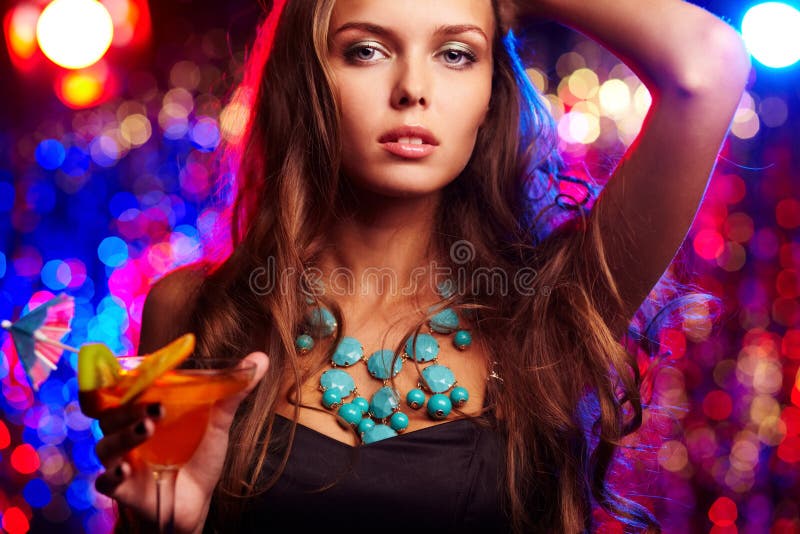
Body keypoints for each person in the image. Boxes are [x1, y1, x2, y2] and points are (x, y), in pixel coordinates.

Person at [92, 0, 750, 532]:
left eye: (457, 53)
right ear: (308, 79)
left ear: (493, 91)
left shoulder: (548, 309)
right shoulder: (196, 311)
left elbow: (707, 66)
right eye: (367, 50)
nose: (412, 89)